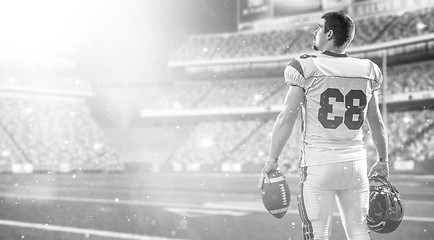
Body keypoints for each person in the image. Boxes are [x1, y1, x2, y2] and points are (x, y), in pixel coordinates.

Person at [258, 11, 389, 240]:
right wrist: (383, 160)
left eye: (318, 28)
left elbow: (286, 117)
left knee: (317, 235)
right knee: (359, 233)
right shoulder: (368, 69)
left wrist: (271, 161)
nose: (314, 32)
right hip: (356, 165)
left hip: (319, 164)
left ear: (329, 34)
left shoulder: (306, 66)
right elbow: (376, 121)